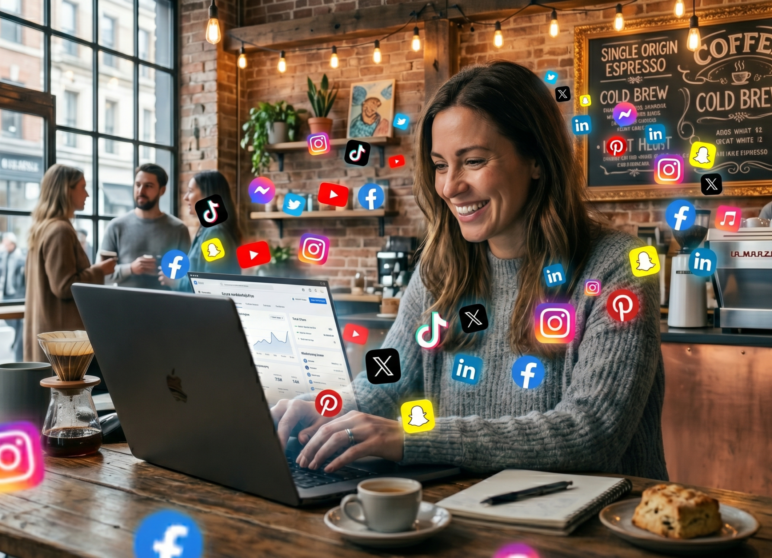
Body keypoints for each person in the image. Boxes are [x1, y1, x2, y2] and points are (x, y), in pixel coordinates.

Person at [272, 61, 668, 480]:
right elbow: (386, 386)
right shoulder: (439, 268)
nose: (450, 187)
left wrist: (412, 437)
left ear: (537, 159)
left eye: (473, 161)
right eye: (440, 165)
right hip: (463, 509)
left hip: (599, 516)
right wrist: (326, 407)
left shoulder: (618, 267)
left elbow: (591, 433)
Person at [24, 164, 115, 363]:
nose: (87, 194)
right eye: (83, 187)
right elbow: (64, 286)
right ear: (67, 190)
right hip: (63, 340)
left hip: (48, 332)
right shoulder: (60, 230)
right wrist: (99, 270)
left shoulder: (42, 227)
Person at [99, 163, 190, 290]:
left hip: (166, 302)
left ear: (162, 190)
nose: (141, 191)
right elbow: (101, 274)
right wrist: (131, 268)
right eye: (138, 185)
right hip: (124, 302)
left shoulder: (179, 229)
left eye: (148, 186)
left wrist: (169, 274)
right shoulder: (116, 226)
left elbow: (188, 278)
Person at [163, 170, 242, 290]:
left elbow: (213, 284)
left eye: (190, 191)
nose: (185, 197)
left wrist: (177, 282)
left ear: (207, 195)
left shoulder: (215, 234)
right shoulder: (207, 230)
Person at [0, 232, 26, 361]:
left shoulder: (20, 257)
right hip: (7, 292)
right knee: (9, 318)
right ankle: (17, 340)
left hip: (17, 293)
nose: (4, 246)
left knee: (18, 321)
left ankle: (18, 343)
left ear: (13, 244)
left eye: (6, 244)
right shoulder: (4, 256)